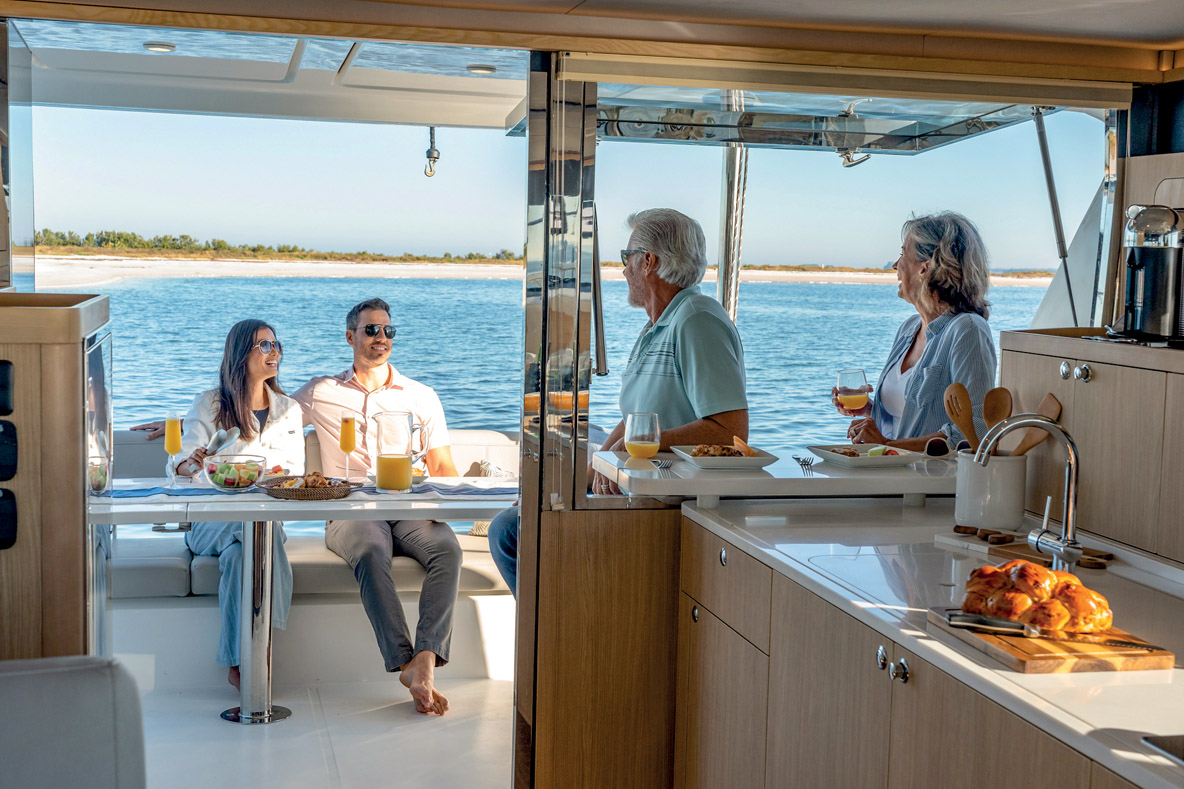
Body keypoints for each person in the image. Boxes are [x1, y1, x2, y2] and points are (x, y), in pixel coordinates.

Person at [489, 208, 749, 593]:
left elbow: (729, 432)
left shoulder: (697, 320)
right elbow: (635, 423)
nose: (622, 269)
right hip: (641, 491)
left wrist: (632, 452)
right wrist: (593, 472)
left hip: (670, 509)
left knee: (510, 533)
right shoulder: (658, 326)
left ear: (649, 262)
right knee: (528, 511)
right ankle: (556, 633)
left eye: (626, 257)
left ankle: (557, 635)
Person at [291, 298, 462, 716]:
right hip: (350, 508)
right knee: (370, 551)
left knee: (448, 549)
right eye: (371, 330)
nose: (380, 338)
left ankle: (424, 659)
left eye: (388, 331)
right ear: (350, 336)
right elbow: (262, 416)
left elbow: (442, 466)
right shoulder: (321, 391)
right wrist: (191, 424)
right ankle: (406, 661)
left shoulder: (421, 396)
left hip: (409, 504)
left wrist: (446, 503)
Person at [172, 319, 305, 690]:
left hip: (264, 524)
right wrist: (193, 462)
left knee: (238, 556)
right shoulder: (210, 404)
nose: (274, 352)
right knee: (247, 528)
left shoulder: (289, 409)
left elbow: (295, 472)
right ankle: (263, 648)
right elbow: (181, 466)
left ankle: (239, 658)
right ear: (240, 354)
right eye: (264, 345)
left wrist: (272, 475)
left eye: (276, 345)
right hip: (209, 523)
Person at [834, 211, 996, 451]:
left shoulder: (967, 330)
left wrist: (888, 445)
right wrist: (872, 410)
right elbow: (909, 417)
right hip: (893, 478)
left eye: (902, 255)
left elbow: (976, 430)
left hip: (930, 485)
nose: (895, 266)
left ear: (925, 268)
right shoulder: (908, 329)